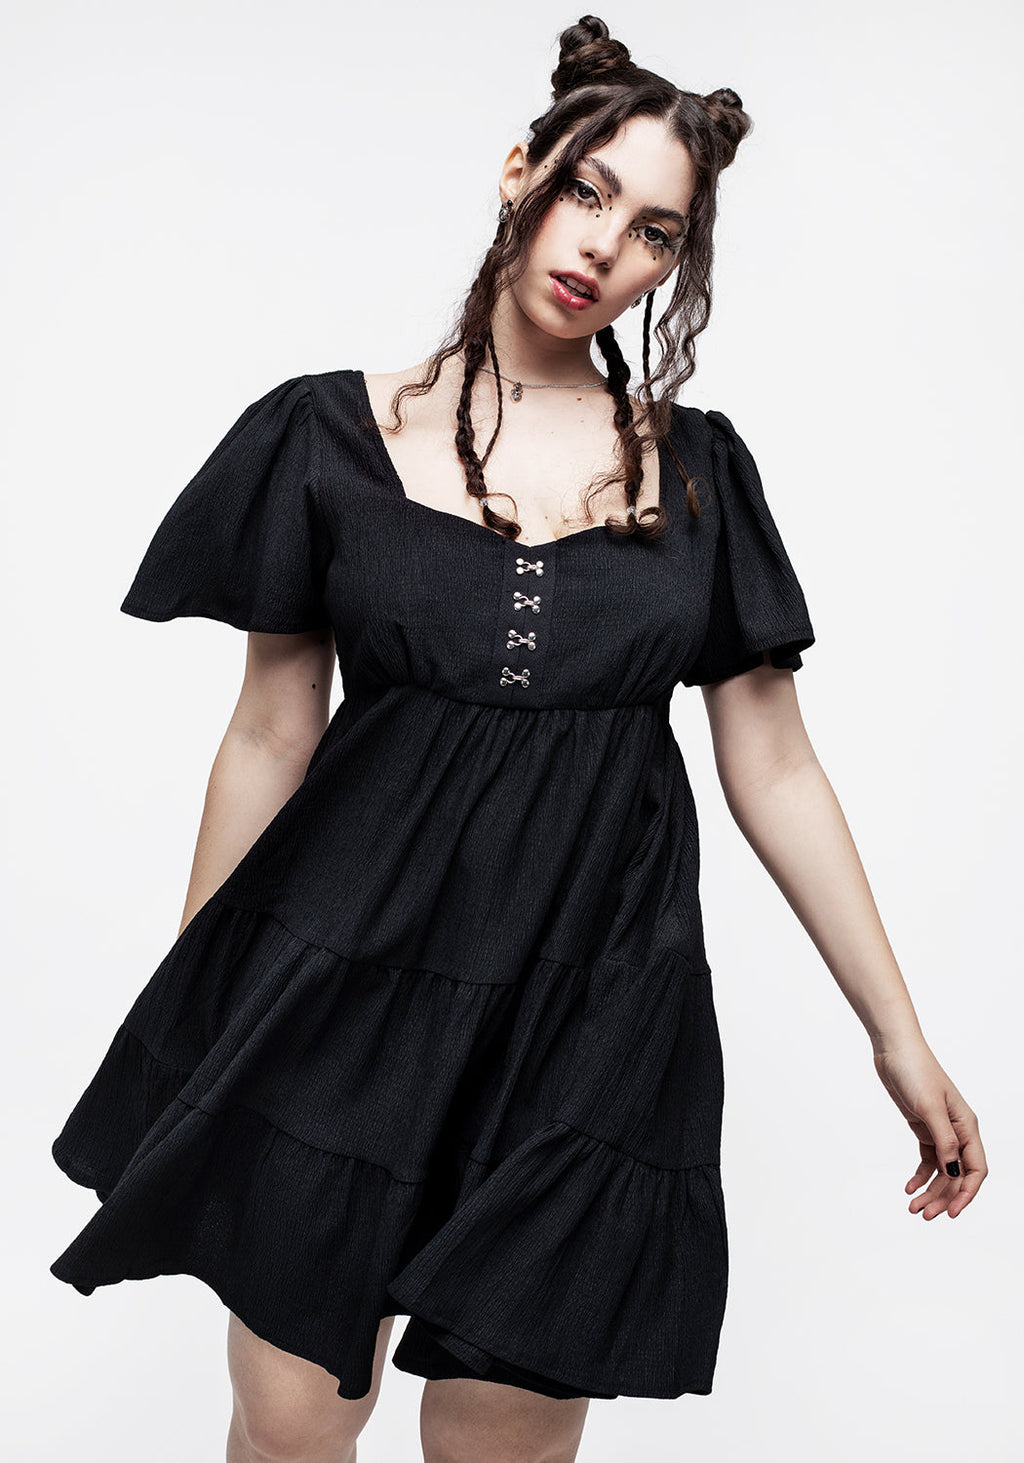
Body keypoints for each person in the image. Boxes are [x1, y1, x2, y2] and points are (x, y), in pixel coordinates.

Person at [48, 14, 987, 1463]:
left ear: (675, 265)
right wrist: (202, 1016)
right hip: (343, 979)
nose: (606, 244)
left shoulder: (698, 474)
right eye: (588, 189)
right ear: (520, 173)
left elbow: (777, 764)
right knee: (294, 1425)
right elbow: (269, 732)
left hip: (595, 1004)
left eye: (656, 230)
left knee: (504, 1442)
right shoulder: (326, 437)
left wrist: (898, 1035)